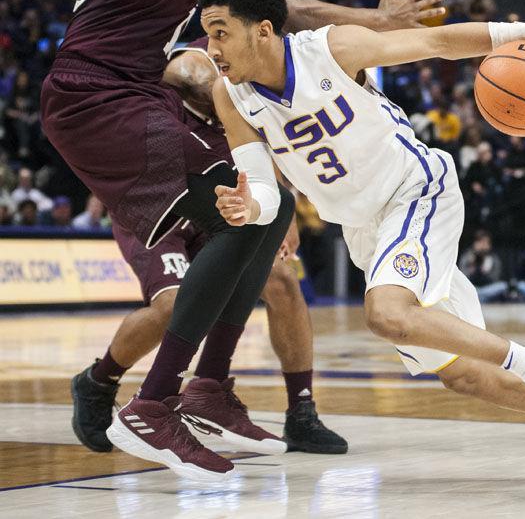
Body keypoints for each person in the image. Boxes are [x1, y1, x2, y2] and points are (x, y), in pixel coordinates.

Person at [41, 0, 442, 485]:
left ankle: (206, 390)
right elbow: (278, 7)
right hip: (99, 97)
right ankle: (154, 402)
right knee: (245, 214)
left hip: (123, 95)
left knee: (266, 206)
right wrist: (377, 24)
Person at [203, 0, 525, 488]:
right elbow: (264, 187)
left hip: (417, 190)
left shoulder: (329, 49)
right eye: (207, 34)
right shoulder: (230, 95)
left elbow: (435, 41)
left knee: (386, 312)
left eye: (221, 32)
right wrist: (252, 207)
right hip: (364, 230)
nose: (212, 47)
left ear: (262, 30)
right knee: (462, 373)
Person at [71, 44, 346, 456]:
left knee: (283, 281)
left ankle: (300, 411)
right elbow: (189, 73)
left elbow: (265, 152)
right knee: (174, 305)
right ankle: (99, 380)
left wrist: (283, 211)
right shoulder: (193, 63)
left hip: (219, 207)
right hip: (158, 209)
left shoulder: (248, 91)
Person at [458, 230, 508, 303]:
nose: (482, 245)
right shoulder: (467, 256)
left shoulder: (493, 258)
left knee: (503, 286)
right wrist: (472, 268)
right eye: (480, 242)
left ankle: (478, 298)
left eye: (485, 242)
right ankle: (481, 299)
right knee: (460, 288)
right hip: (472, 288)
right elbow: (462, 277)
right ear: (474, 243)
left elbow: (495, 278)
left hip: (487, 288)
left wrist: (484, 272)